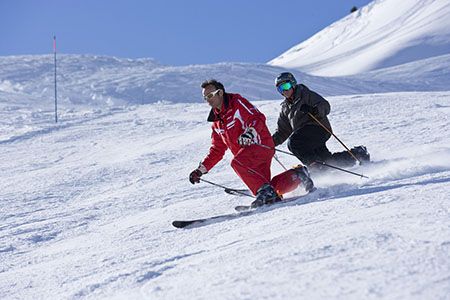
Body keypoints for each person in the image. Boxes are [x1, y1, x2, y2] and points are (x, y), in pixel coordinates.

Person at [189, 79, 313, 207]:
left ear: (220, 93)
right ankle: (297, 175)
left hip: (260, 146)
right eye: (205, 97)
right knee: (268, 186)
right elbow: (217, 149)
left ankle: (266, 193)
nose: (208, 100)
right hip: (248, 156)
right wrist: (201, 170)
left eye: (210, 95)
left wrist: (250, 132)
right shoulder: (217, 123)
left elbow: (257, 117)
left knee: (238, 164)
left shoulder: (236, 103)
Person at [272, 72, 370, 171]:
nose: (284, 90)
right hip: (305, 136)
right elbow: (282, 131)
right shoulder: (285, 108)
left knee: (294, 143)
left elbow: (325, 106)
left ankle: (315, 167)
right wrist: (269, 143)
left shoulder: (306, 94)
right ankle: (357, 154)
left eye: (286, 86)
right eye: (280, 88)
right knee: (327, 161)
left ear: (293, 84)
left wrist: (314, 110)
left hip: (318, 129)